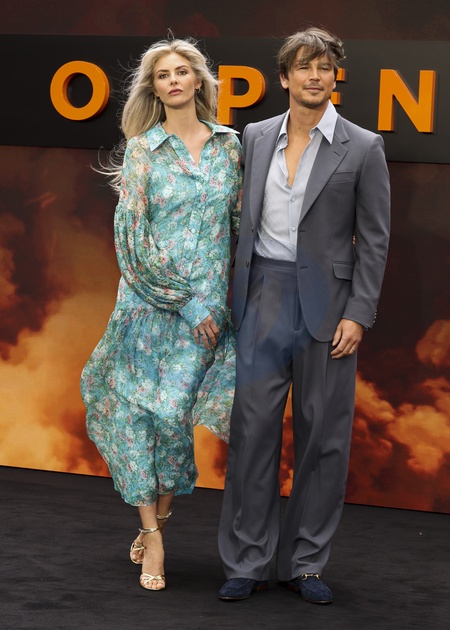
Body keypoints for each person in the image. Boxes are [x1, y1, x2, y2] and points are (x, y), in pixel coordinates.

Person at [218, 27, 390, 604]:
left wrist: (359, 313)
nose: (315, 76)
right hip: (263, 296)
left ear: (335, 77)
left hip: (331, 310)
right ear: (284, 77)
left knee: (324, 438)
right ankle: (247, 561)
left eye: (325, 68)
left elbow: (375, 239)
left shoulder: (363, 146)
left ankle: (306, 563)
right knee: (252, 434)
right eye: (304, 67)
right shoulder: (255, 135)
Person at [81, 37, 242, 592]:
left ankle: (159, 520)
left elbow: (240, 227)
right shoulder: (143, 151)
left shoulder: (230, 146)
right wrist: (186, 300)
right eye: (162, 75)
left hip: (208, 314)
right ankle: (152, 536)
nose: (173, 80)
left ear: (198, 80)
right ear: (154, 88)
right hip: (150, 306)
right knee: (137, 418)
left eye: (181, 71)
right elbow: (132, 239)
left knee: (173, 420)